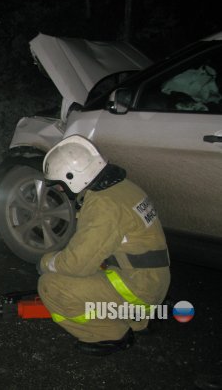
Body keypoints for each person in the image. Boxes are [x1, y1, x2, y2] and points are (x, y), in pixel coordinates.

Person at [37, 135, 170, 356]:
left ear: (73, 177)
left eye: (60, 185)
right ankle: (139, 318)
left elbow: (77, 265)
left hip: (138, 290)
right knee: (95, 268)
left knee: (51, 285)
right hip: (152, 280)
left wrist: (46, 262)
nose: (60, 191)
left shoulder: (103, 205)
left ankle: (109, 334)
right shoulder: (123, 188)